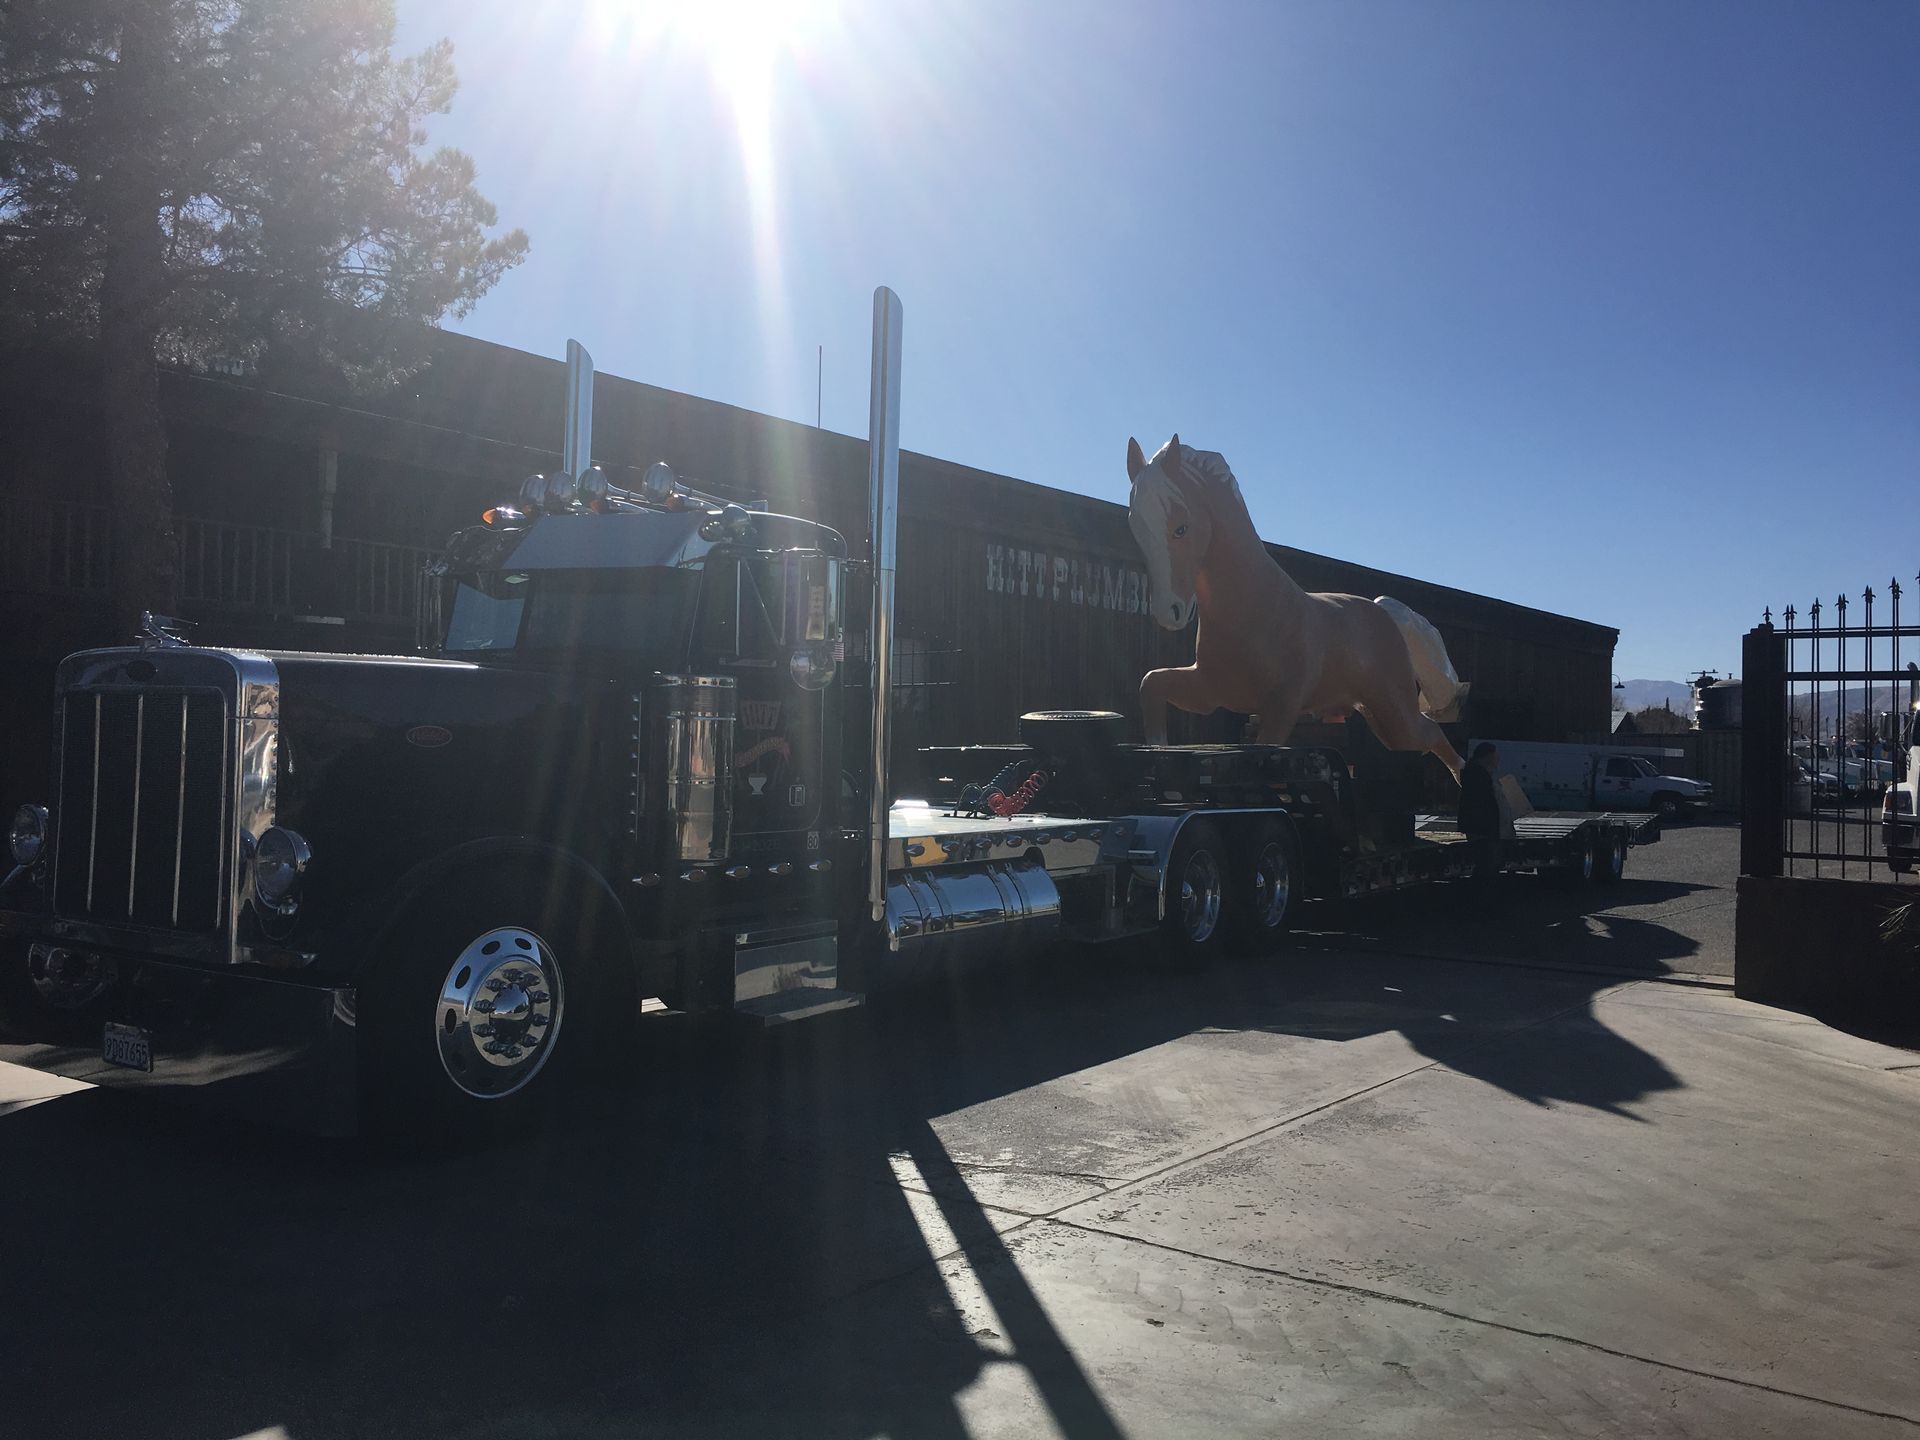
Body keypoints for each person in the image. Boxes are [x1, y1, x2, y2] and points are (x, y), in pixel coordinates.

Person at [1458, 741, 1503, 883]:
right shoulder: (1478, 774)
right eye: (1496, 756)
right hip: (1482, 828)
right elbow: (1483, 803)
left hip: (1480, 827)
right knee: (1486, 864)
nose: (1497, 760)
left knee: (1485, 864)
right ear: (1488, 756)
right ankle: (1482, 896)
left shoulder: (1474, 772)